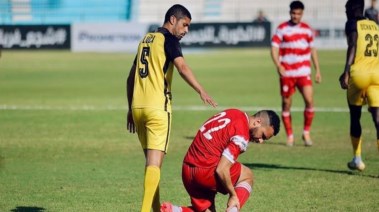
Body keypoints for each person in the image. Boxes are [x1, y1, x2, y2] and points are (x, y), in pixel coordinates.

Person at [126, 4, 217, 212]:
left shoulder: (146, 40)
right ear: (173, 20)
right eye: (185, 24)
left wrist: (130, 109)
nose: (186, 30)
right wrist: (200, 90)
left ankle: (155, 209)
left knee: (152, 165)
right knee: (154, 165)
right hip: (158, 108)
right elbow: (182, 67)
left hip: (139, 108)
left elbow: (130, 78)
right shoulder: (170, 40)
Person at [160, 108, 280, 212]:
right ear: (258, 122)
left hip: (187, 169)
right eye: (263, 135)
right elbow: (221, 169)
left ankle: (173, 210)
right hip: (206, 170)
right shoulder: (241, 135)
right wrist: (233, 195)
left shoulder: (234, 112)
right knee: (247, 175)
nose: (260, 141)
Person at [270, 0, 322, 147]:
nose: (295, 16)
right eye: (293, 13)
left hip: (303, 72)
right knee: (286, 104)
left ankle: (306, 132)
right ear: (290, 12)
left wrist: (317, 69)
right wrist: (278, 65)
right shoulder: (282, 29)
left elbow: (313, 50)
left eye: (298, 13)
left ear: (302, 14)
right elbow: (273, 48)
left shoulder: (307, 30)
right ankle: (290, 136)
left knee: (309, 101)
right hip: (287, 73)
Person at [339, 0, 379, 171]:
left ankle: (357, 158)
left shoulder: (352, 23)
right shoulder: (375, 26)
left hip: (359, 75)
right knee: (378, 120)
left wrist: (346, 71)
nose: (346, 11)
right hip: (376, 75)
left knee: (355, 117)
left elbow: (353, 45)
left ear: (353, 9)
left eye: (347, 8)